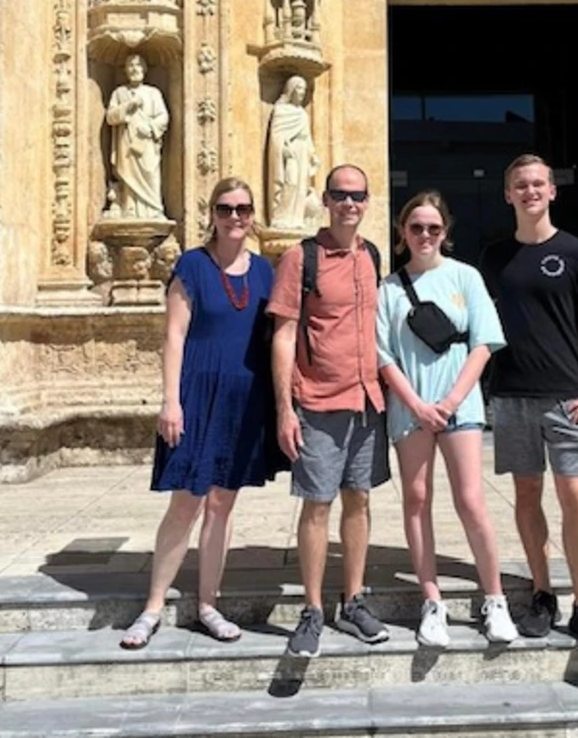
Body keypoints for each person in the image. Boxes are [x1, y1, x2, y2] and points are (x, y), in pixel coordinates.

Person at [120, 177, 278, 649]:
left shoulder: (265, 271)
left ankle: (208, 602)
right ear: (212, 213)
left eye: (244, 209)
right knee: (186, 499)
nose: (235, 217)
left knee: (223, 503)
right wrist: (170, 400)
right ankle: (152, 607)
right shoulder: (191, 265)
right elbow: (173, 336)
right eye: (226, 208)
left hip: (244, 399)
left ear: (253, 216)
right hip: (196, 393)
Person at [480, 154, 578, 654]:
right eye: (520, 184)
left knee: (574, 496)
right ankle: (543, 594)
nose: (530, 191)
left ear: (552, 191)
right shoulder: (494, 257)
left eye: (538, 183)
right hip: (513, 394)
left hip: (568, 397)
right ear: (508, 194)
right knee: (525, 497)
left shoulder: (577, 252)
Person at [376, 192, 518, 649]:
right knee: (416, 499)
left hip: (460, 403)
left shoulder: (465, 277)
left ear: (445, 233)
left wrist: (452, 399)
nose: (424, 235)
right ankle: (431, 600)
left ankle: (494, 597)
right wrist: (417, 404)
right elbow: (383, 356)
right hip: (410, 404)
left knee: (471, 500)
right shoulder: (389, 289)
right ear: (402, 233)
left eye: (433, 228)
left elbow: (483, 342)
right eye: (416, 227)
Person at [268, 164, 390, 658]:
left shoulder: (371, 256)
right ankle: (312, 609)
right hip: (317, 400)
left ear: (367, 201)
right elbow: (283, 333)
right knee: (317, 505)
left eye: (357, 195)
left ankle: (354, 599)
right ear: (325, 199)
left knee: (358, 500)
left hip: (367, 401)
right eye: (340, 195)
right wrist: (284, 409)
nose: (349, 204)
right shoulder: (302, 258)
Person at [105, 53, 169, 219]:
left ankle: (153, 209)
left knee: (150, 174)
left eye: (138, 65)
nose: (134, 68)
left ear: (144, 69)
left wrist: (150, 127)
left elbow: (163, 116)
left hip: (146, 143)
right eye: (131, 65)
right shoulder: (119, 93)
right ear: (126, 70)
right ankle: (129, 209)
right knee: (127, 176)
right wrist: (127, 106)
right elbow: (110, 117)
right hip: (126, 144)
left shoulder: (153, 93)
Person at [266, 75, 320, 230]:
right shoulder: (281, 110)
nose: (302, 93)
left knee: (301, 186)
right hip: (289, 153)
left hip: (302, 152)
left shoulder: (303, 113)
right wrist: (282, 149)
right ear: (291, 90)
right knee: (290, 182)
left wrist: (313, 155)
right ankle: (281, 216)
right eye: (299, 88)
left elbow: (307, 137)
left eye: (304, 89)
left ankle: (296, 218)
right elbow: (276, 136)